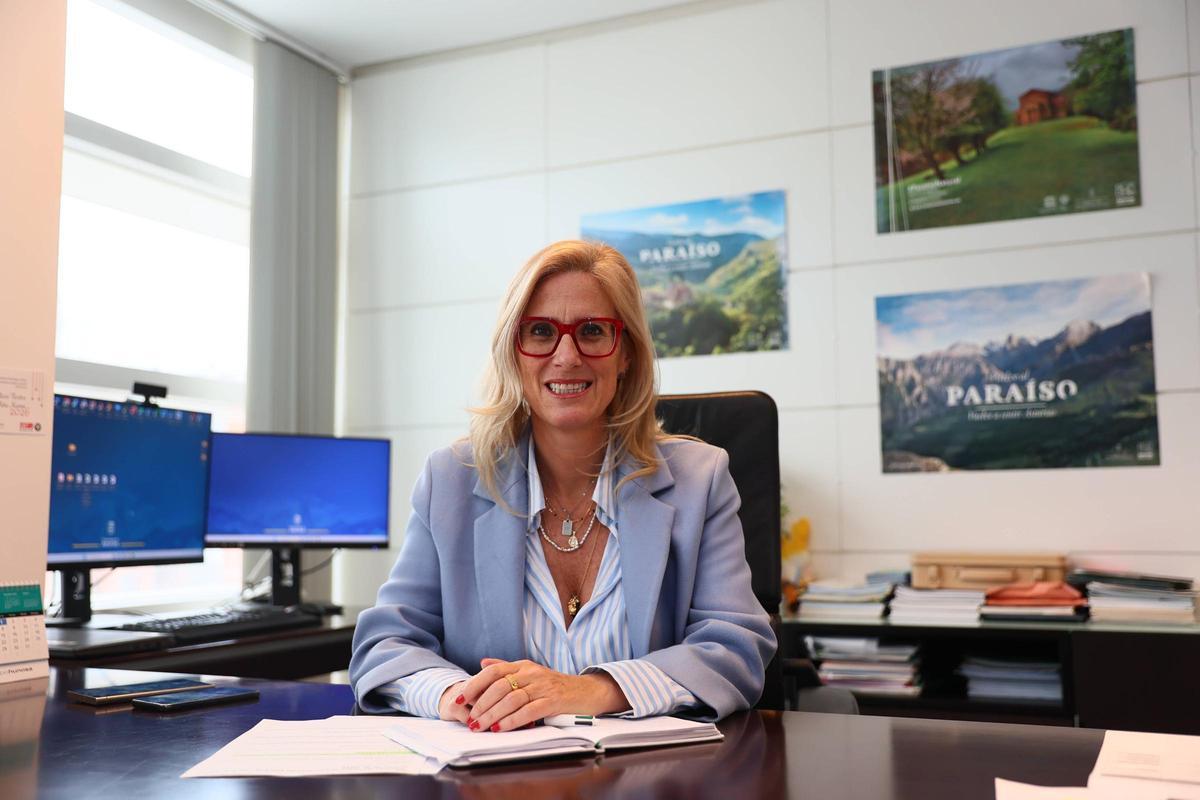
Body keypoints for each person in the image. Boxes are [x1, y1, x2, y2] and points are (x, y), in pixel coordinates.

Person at [350, 240, 776, 730]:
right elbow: (385, 644)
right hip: (496, 776)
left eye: (593, 331)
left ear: (627, 355)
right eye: (540, 332)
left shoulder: (700, 480)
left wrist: (590, 690)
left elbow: (735, 647)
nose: (567, 356)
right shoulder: (449, 480)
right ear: (514, 351)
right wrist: (458, 696)